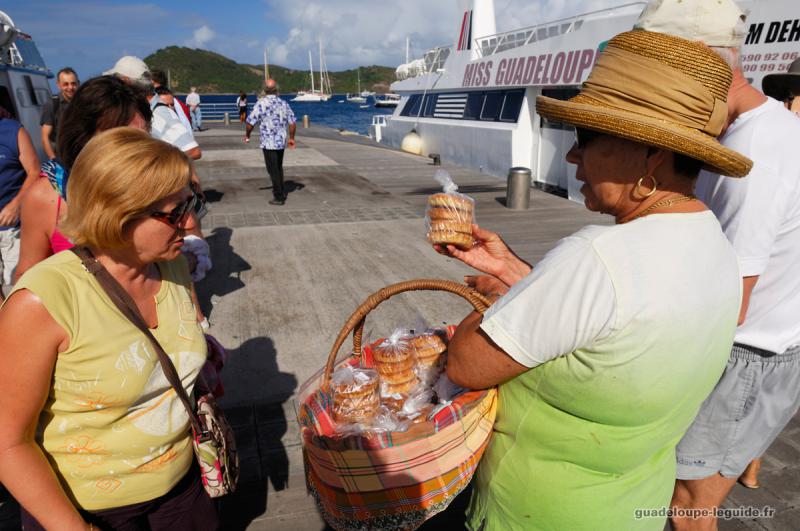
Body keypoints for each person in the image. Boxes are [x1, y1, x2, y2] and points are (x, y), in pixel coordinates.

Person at [440, 29, 752, 531]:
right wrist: (515, 274)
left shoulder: (596, 255)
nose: (571, 157)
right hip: (633, 503)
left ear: (650, 153)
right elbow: (618, 321)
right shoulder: (713, 242)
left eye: (585, 139)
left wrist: (495, 299)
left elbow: (466, 363)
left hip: (540, 512)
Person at [631, 2, 800, 529]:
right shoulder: (755, 130)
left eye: (662, 68)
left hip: (742, 358)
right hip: (758, 351)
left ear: (700, 61)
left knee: (686, 508)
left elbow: (731, 300)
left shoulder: (753, 154)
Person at [0, 127, 217, 530]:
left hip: (182, 491)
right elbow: (7, 442)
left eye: (192, 203)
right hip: (88, 509)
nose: (190, 224)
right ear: (117, 213)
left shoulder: (173, 266)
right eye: (175, 213)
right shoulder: (44, 301)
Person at [14, 76, 152, 282]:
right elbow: (27, 277)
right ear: (83, 137)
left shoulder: (154, 184)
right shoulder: (47, 195)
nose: (134, 151)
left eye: (142, 138)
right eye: (120, 139)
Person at [104, 56, 201, 162]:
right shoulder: (142, 110)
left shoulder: (158, 113)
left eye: (115, 81)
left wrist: (149, 165)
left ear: (125, 82)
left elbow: (193, 151)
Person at [0, 109, 40, 300]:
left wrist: (16, 205)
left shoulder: (13, 130)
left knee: (21, 283)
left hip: (11, 226)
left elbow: (34, 171)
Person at [244, 79, 296, 206]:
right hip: (280, 141)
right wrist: (291, 138)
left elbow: (250, 122)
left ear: (264, 90)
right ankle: (281, 190)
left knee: (272, 169)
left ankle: (278, 197)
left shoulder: (261, 104)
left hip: (268, 142)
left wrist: (247, 135)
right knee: (278, 167)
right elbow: (292, 122)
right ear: (276, 89)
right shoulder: (283, 103)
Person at [39, 67, 79, 160]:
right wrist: (54, 160)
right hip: (62, 158)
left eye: (73, 83)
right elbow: (45, 137)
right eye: (66, 84)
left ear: (78, 83)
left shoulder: (84, 103)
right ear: (58, 85)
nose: (70, 87)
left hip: (83, 156)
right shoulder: (52, 105)